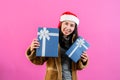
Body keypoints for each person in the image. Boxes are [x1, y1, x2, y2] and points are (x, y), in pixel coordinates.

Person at [26, 11, 88, 80]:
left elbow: (78, 67)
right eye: (66, 23)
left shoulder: (77, 44)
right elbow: (39, 61)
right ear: (61, 24)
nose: (68, 27)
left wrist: (83, 60)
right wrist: (32, 50)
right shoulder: (51, 39)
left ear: (74, 28)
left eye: (71, 25)